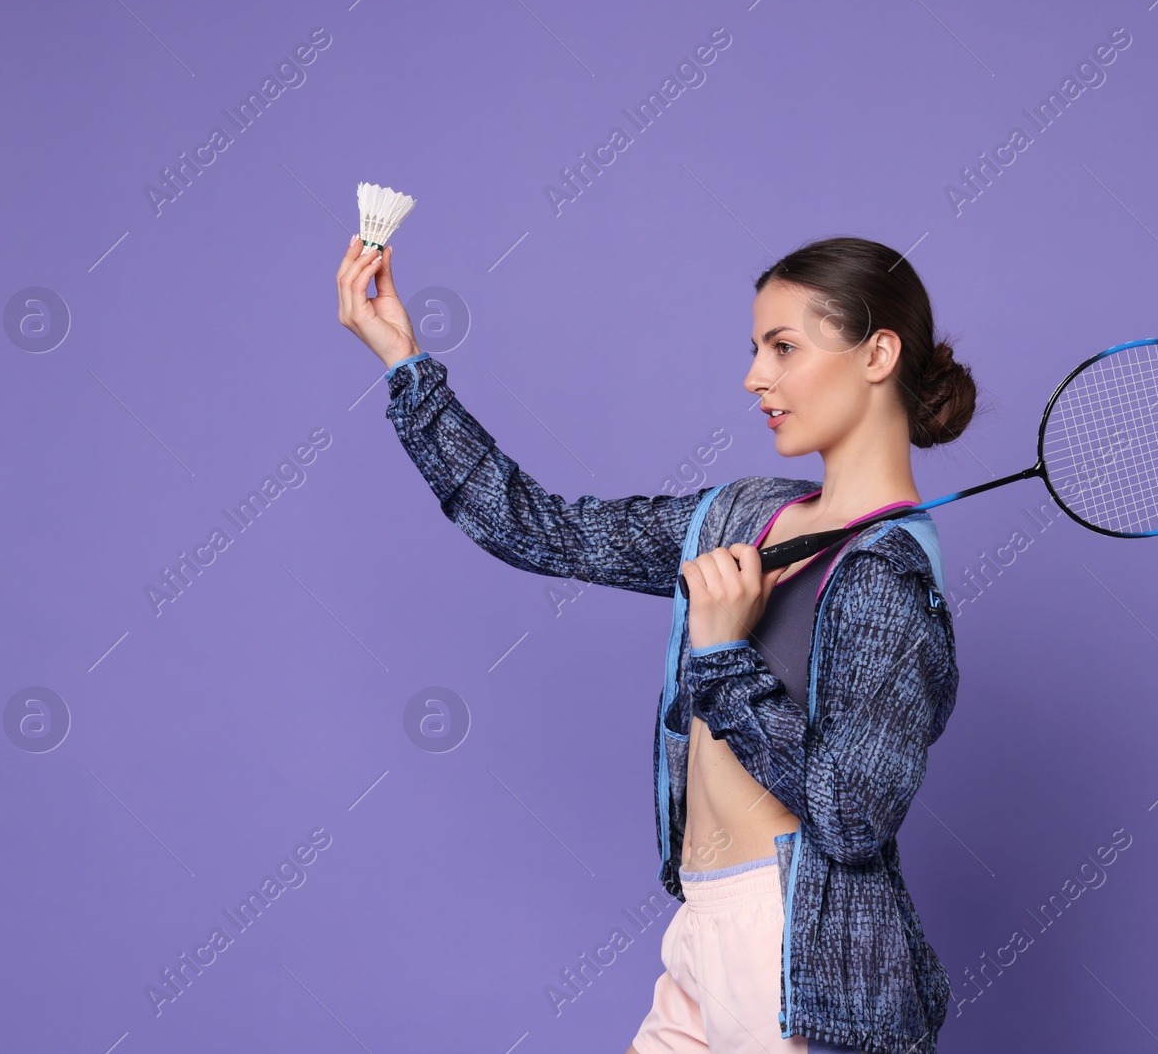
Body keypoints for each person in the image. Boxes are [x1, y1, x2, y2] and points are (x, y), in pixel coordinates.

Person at [335, 234, 974, 1054]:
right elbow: (541, 529)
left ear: (878, 352)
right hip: (703, 925)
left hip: (795, 951)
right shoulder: (745, 514)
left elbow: (853, 816)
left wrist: (721, 657)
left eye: (784, 347)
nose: (755, 377)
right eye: (755, 349)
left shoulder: (888, 576)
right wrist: (405, 364)